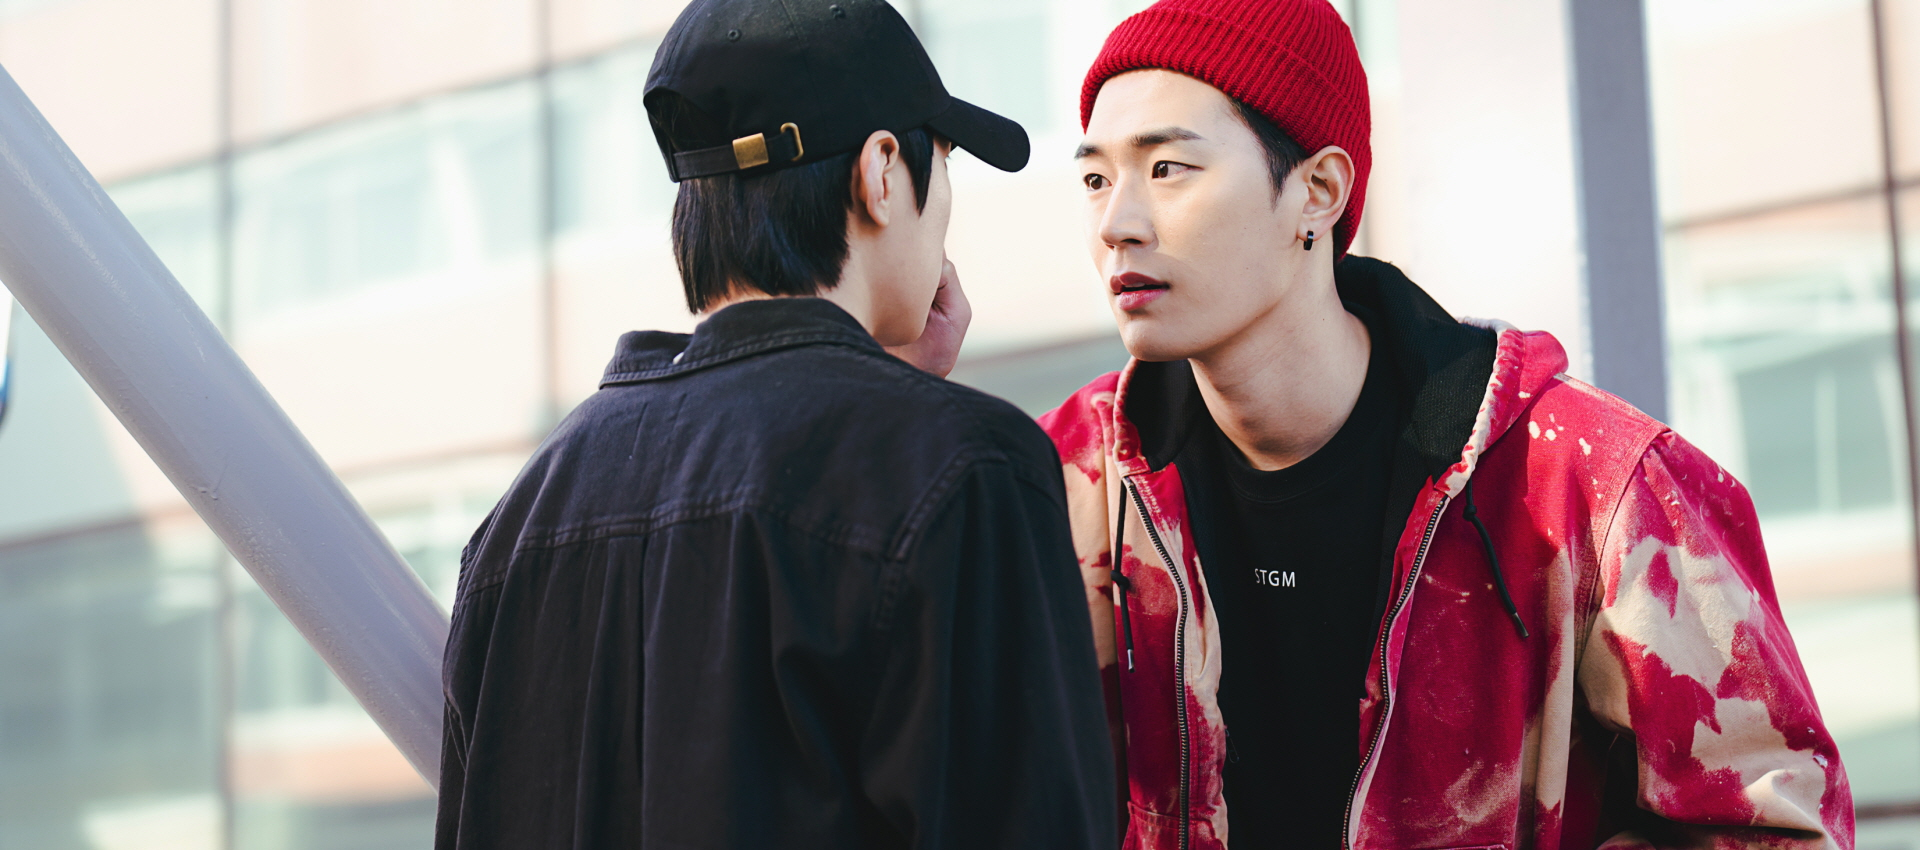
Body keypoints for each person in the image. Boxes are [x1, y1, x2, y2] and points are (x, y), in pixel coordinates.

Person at [1029, 0, 1850, 847]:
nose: (1116, 224)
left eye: (1167, 168)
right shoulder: (1060, 485)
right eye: (1096, 179)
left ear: (1318, 191)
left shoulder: (1592, 485)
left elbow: (1776, 828)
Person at [431, 1, 1116, 847]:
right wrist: (908, 419)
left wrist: (889, 394)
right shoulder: (968, 471)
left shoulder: (526, 513)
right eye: (942, 164)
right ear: (881, 172)